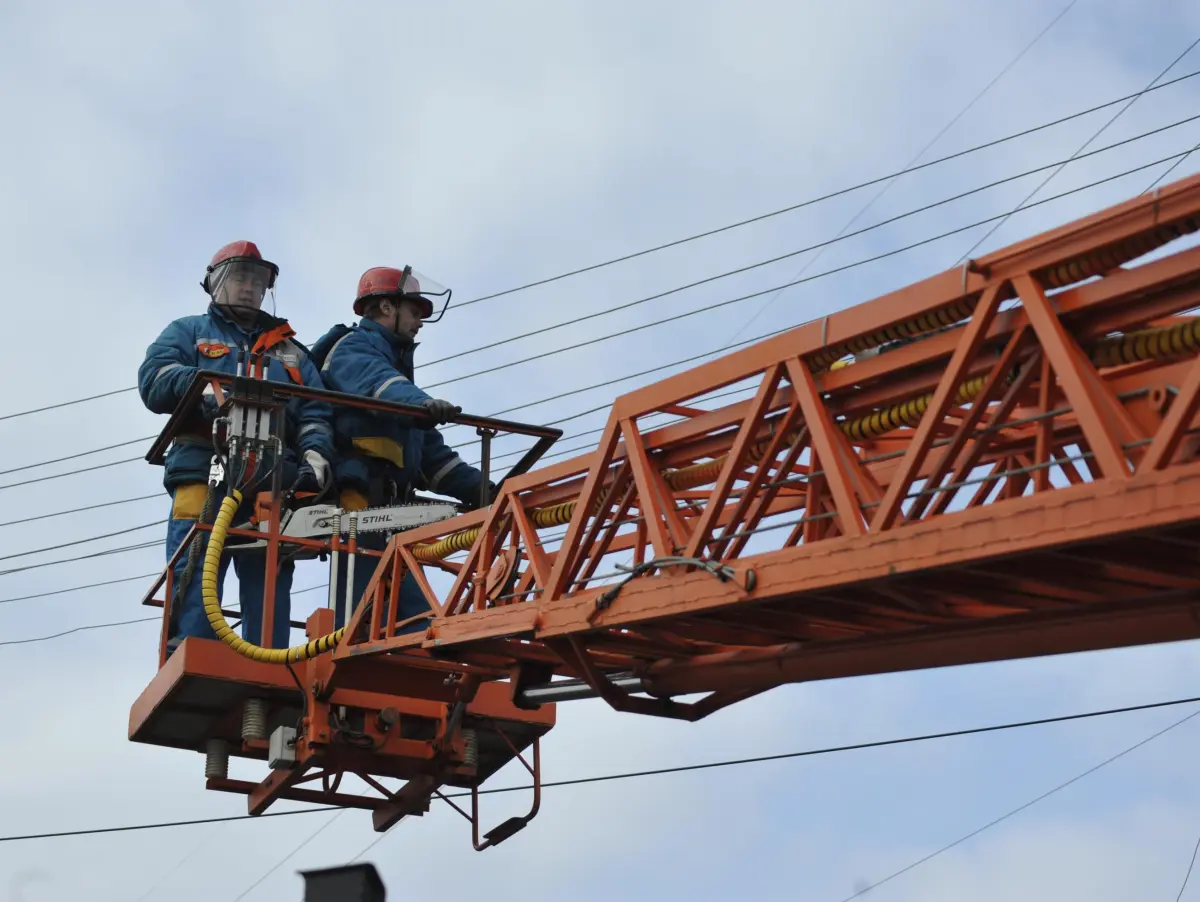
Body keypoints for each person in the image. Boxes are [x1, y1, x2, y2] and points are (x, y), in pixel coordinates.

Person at [137, 240, 336, 654]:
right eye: (239, 277)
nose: (248, 287)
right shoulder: (189, 332)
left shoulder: (291, 352)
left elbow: (316, 409)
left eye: (257, 280)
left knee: (269, 565)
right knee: (196, 560)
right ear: (214, 284)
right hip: (202, 467)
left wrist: (315, 454)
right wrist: (204, 389)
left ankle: (268, 658)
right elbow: (154, 380)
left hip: (273, 476)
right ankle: (191, 650)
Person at [311, 264, 494, 631]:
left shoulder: (398, 374)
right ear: (385, 308)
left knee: (419, 624)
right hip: (359, 504)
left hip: (395, 515)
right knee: (362, 613)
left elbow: (433, 459)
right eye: (414, 311)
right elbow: (379, 384)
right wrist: (420, 404)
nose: (420, 322)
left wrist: (481, 488)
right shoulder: (353, 349)